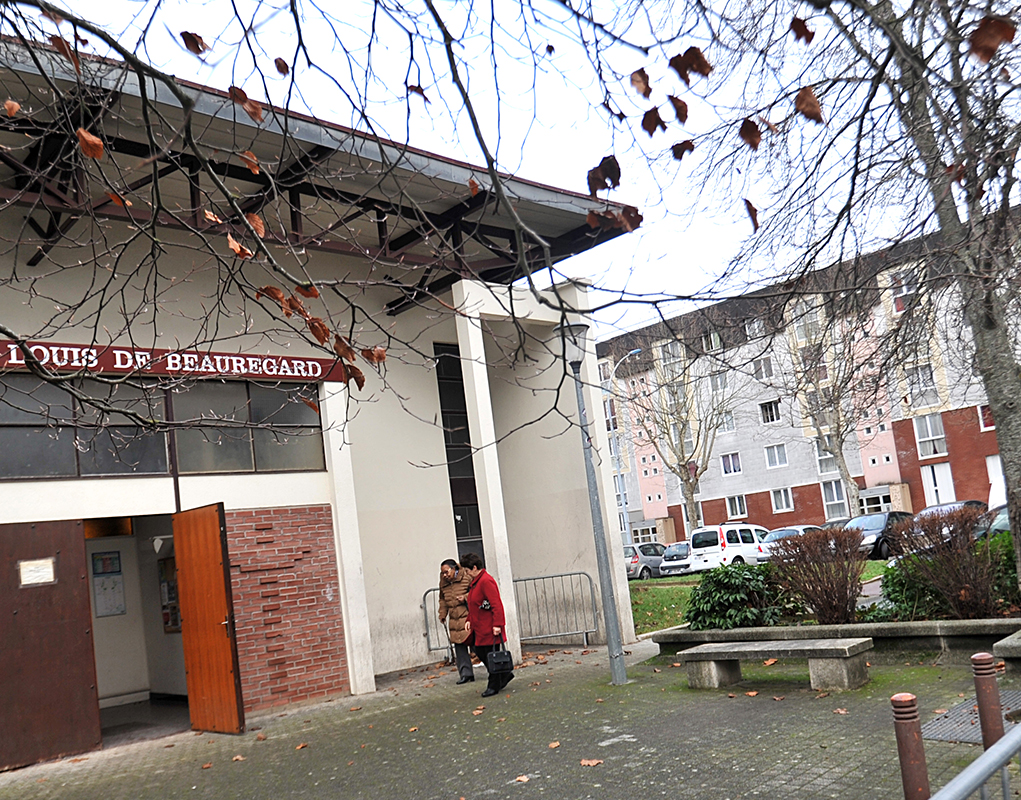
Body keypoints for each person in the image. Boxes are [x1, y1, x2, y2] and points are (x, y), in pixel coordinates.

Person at [460, 551, 513, 698]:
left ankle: (494, 684)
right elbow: (474, 604)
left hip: (489, 627)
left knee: (490, 654)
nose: (466, 573)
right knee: (481, 651)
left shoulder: (486, 581)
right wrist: (469, 619)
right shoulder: (476, 583)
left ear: (475, 568)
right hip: (480, 626)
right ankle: (503, 675)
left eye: (467, 570)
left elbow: (496, 604)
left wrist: (498, 624)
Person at [438, 558, 475, 684]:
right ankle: (466, 674)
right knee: (459, 646)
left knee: (475, 644)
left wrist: (465, 597)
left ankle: (491, 666)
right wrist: (442, 614)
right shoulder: (443, 582)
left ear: (454, 569)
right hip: (454, 617)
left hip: (467, 616)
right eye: (442, 573)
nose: (445, 575)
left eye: (447, 572)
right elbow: (442, 599)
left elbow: (476, 592)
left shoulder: (466, 577)